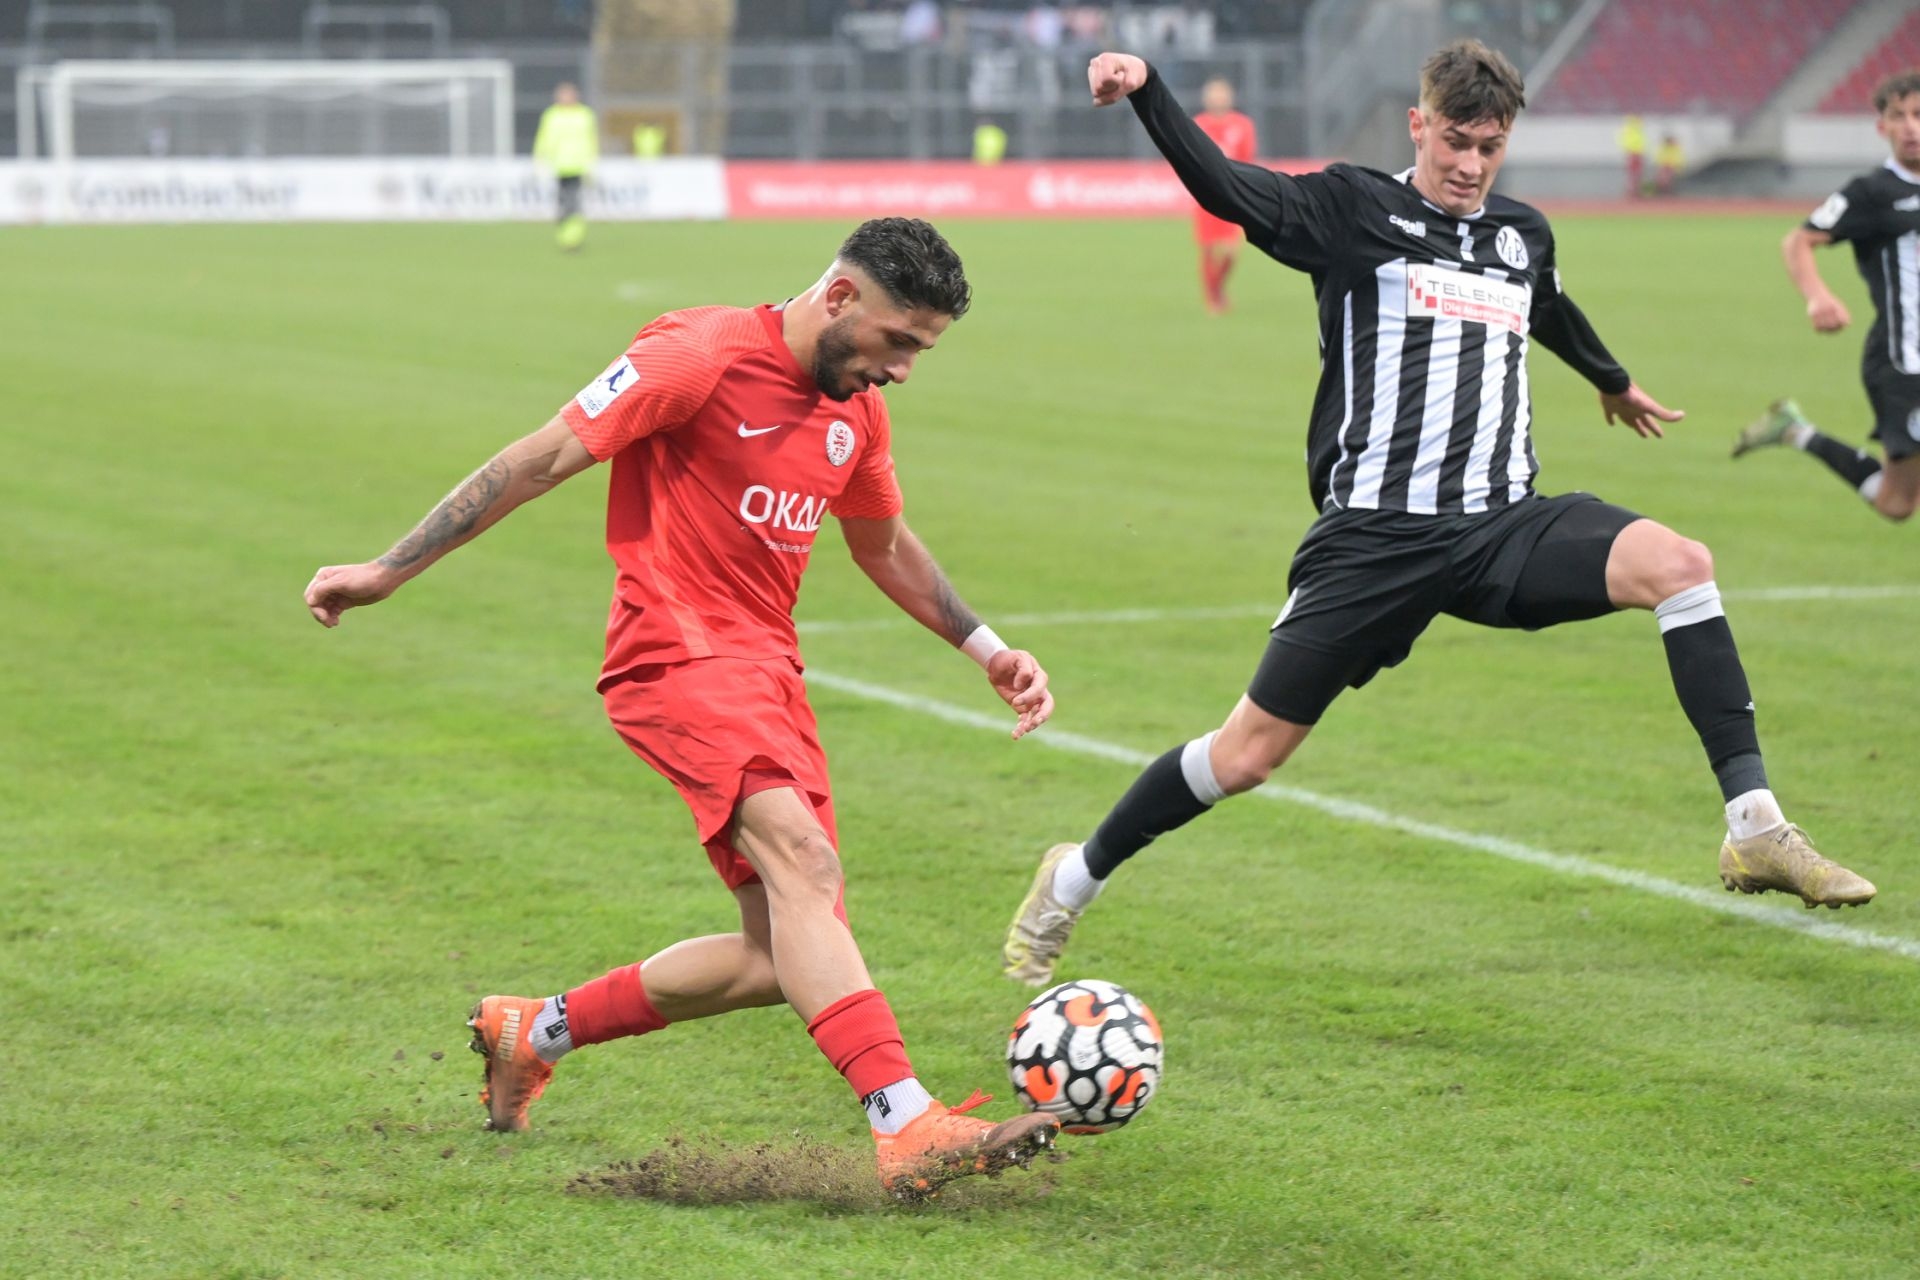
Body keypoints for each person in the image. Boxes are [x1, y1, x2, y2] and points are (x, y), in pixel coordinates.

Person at [1001, 41, 1877, 989]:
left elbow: (1546, 304)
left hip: (1504, 525)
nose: (1469, 165)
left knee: (1681, 565)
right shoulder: (1350, 209)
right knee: (1247, 755)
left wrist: (1612, 380)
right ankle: (1073, 877)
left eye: (1489, 148)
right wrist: (1148, 92)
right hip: (1374, 539)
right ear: (1418, 126)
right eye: (1454, 142)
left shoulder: (1520, 234)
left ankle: (1753, 829)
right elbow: (1226, 188)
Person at [304, 217, 1062, 1200]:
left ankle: (531, 1029)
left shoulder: (855, 413)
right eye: (900, 341)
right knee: (806, 861)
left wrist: (988, 647)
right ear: (840, 298)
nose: (905, 370)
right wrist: (386, 570)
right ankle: (906, 1121)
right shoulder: (696, 356)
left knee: (775, 954)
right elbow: (538, 458)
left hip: (766, 675)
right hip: (674, 657)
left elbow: (882, 544)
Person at [1732, 71, 1920, 524]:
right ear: (1882, 127)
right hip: (1904, 362)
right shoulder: (1871, 193)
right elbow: (1798, 240)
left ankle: (1794, 431)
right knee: (1897, 504)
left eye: (1919, 115)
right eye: (1900, 116)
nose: (1912, 126)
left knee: (1896, 504)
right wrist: (1817, 297)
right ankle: (1797, 433)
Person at [1192, 76, 1257, 313]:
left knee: (1231, 249)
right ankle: (1212, 299)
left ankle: (1217, 289)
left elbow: (1247, 158)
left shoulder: (1243, 125)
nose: (1217, 98)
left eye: (1221, 93)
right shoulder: (1198, 124)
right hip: (1205, 193)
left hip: (1232, 192)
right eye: (1213, 94)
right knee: (1209, 248)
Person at [533, 82, 598, 252]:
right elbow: (544, 137)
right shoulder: (552, 115)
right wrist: (539, 158)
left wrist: (591, 163)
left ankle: (573, 239)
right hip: (559, 165)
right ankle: (565, 235)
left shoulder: (584, 114)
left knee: (574, 203)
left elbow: (591, 139)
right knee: (562, 203)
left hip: (578, 166)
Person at [1618, 113, 1647, 199]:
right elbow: (1629, 143)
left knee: (1636, 174)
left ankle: (1634, 192)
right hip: (1634, 154)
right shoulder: (1632, 129)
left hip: (1636, 154)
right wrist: (1631, 152)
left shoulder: (1634, 129)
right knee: (1633, 175)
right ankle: (1631, 192)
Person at [1653, 132, 1683, 196]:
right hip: (1665, 167)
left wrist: (1675, 166)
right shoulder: (1664, 148)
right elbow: (1660, 158)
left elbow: (1678, 158)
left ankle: (1668, 191)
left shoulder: (1675, 148)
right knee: (1663, 178)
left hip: (1671, 167)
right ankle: (1662, 191)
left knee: (1668, 178)